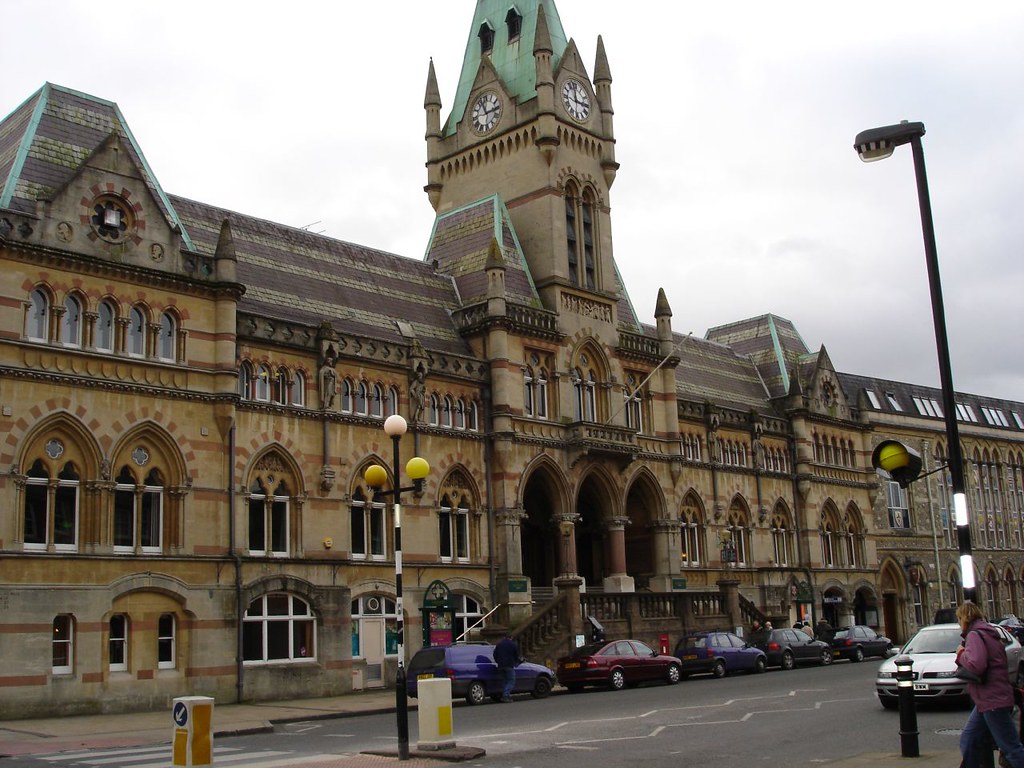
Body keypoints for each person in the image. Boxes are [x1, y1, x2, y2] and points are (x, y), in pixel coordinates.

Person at [956, 601, 1024, 768]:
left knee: (1011, 748)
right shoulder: (989, 632)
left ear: (964, 618)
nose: (958, 624)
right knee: (969, 740)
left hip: (993, 700)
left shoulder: (974, 635)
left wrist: (961, 654)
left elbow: (976, 665)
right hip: (987, 700)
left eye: (958, 619)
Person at [494, 633, 520, 703]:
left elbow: (495, 654)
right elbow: (516, 655)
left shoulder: (499, 644)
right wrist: (516, 662)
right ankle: (505, 695)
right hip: (509, 665)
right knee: (511, 680)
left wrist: (498, 661)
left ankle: (506, 695)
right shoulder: (513, 644)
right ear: (511, 637)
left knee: (505, 681)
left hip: (500, 665)